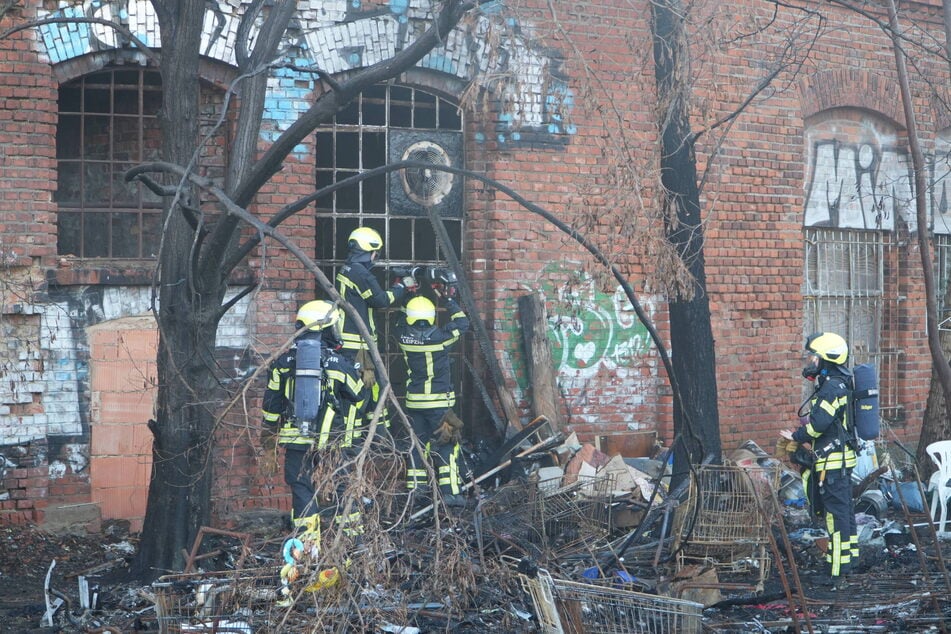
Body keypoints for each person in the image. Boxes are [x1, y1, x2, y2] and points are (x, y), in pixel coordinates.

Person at [260, 300, 368, 538]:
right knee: (343, 488)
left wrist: (267, 441)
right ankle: (351, 543)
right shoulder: (339, 364)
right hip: (335, 443)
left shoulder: (283, 363)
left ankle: (307, 548)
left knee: (301, 489)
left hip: (297, 442)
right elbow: (360, 398)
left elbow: (271, 406)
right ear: (327, 328)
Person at [782, 332, 858, 588]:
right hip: (842, 460)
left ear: (826, 359)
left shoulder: (830, 388)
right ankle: (848, 561)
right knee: (845, 513)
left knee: (834, 517)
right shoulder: (839, 383)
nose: (810, 362)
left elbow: (818, 426)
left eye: (814, 357)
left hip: (832, 464)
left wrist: (794, 435)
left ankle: (836, 570)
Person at [336, 226, 417, 426]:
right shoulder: (361, 274)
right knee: (368, 391)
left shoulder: (347, 268)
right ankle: (374, 439)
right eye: (374, 253)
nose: (375, 258)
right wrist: (401, 287)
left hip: (348, 341)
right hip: (359, 345)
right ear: (368, 251)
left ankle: (371, 435)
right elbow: (380, 300)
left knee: (365, 390)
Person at [396, 290, 470, 508]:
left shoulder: (402, 336)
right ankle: (451, 494)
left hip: (415, 403)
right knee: (447, 446)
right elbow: (462, 323)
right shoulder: (441, 338)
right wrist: (448, 298)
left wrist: (407, 295)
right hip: (439, 404)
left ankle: (417, 492)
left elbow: (400, 320)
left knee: (417, 446)